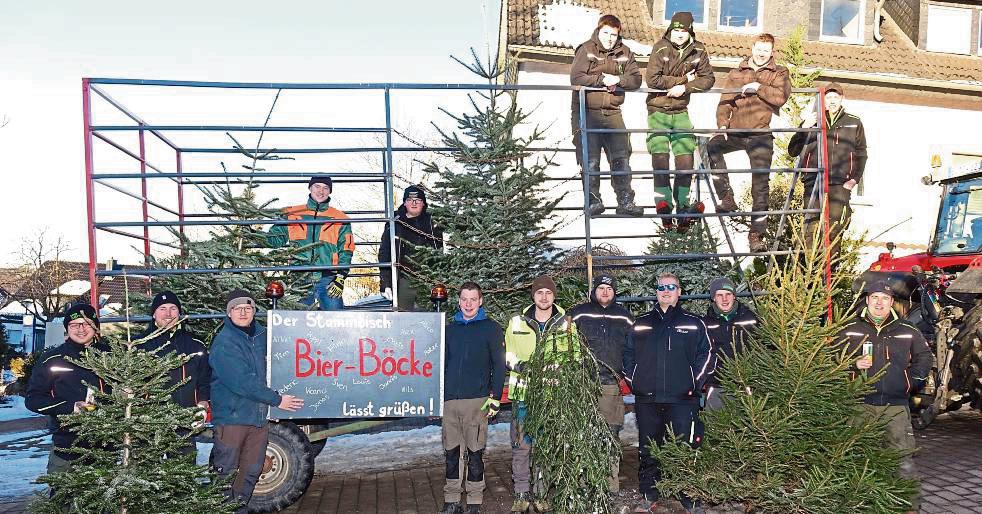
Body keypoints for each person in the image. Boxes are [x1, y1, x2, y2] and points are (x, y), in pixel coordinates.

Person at [836, 280, 931, 514]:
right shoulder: (848, 328)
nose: (880, 303)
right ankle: (858, 506)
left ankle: (909, 508)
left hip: (895, 408)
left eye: (885, 298)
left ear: (891, 302)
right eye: (875, 297)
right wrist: (852, 365)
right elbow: (829, 358)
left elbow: (925, 358)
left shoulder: (907, 330)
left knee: (903, 460)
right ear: (867, 300)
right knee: (856, 458)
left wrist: (908, 382)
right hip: (859, 406)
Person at [624, 272, 712, 514]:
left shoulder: (693, 322)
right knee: (648, 448)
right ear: (656, 292)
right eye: (661, 287)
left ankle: (688, 496)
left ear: (679, 291)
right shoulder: (641, 323)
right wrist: (636, 383)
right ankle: (649, 493)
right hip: (647, 399)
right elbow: (628, 356)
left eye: (671, 287)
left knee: (685, 448)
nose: (666, 290)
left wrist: (693, 383)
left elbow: (707, 355)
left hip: (683, 400)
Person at [209, 290, 304, 513]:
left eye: (248, 308)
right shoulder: (225, 342)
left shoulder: (263, 336)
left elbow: (284, 358)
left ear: (253, 311)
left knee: (251, 469)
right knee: (227, 471)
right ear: (229, 313)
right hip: (233, 418)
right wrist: (277, 399)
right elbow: (241, 381)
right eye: (237, 308)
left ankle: (239, 509)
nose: (243, 312)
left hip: (258, 417)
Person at [708, 33, 791, 252]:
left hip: (760, 134)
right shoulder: (736, 73)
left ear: (772, 51)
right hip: (736, 130)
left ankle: (756, 236)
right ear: (752, 47)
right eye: (759, 48)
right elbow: (724, 102)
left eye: (766, 49)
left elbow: (781, 97)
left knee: (760, 184)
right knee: (712, 145)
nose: (762, 53)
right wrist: (722, 125)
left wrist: (758, 86)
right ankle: (726, 197)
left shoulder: (779, 72)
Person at [504, 275, 575, 514]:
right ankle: (522, 494)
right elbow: (507, 354)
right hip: (524, 393)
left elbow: (572, 355)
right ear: (533, 296)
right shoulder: (516, 322)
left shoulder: (566, 323)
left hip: (551, 394)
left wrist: (556, 364)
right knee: (522, 446)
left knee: (546, 446)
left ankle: (542, 493)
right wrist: (520, 366)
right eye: (539, 293)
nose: (544, 297)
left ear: (554, 296)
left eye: (548, 293)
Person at [439, 282, 507, 514]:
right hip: (450, 401)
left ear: (481, 301)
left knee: (475, 452)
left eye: (473, 299)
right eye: (464, 299)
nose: (468, 304)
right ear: (459, 301)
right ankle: (452, 499)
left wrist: (495, 396)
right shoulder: (449, 330)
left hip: (477, 401)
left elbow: (499, 366)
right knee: (451, 453)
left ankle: (475, 501)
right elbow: (440, 365)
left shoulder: (491, 329)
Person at [645, 11, 715, 232]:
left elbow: (709, 79)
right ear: (670, 30)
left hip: (681, 110)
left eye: (683, 31)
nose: (678, 35)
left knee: (686, 159)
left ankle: (683, 206)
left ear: (689, 31)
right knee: (660, 157)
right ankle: (663, 204)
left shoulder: (699, 50)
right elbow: (652, 79)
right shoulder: (661, 47)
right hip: (658, 109)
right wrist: (684, 79)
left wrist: (685, 88)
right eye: (675, 30)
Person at [570, 14, 644, 217]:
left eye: (613, 34)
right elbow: (576, 77)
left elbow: (636, 80)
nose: (610, 38)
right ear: (598, 31)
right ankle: (593, 202)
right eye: (606, 33)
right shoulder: (586, 49)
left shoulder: (625, 52)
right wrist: (603, 80)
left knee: (621, 156)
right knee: (590, 159)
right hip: (587, 112)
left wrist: (618, 80)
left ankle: (625, 202)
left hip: (613, 112)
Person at [26, 303, 109, 476]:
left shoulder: (110, 356)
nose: (81, 329)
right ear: (67, 328)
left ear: (95, 327)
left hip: (106, 448)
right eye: (74, 325)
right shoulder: (53, 359)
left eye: (86, 323)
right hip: (66, 447)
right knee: (61, 501)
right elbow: (33, 399)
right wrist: (70, 408)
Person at [569, 274, 634, 491]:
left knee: (610, 434)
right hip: (584, 385)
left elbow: (632, 349)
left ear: (614, 292)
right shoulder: (578, 314)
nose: (605, 292)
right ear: (594, 291)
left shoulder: (625, 317)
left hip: (611, 385)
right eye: (601, 288)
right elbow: (566, 345)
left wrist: (625, 373)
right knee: (583, 433)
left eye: (609, 288)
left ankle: (609, 484)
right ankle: (582, 484)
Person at [788, 82, 867, 257]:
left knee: (835, 229)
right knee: (809, 228)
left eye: (835, 97)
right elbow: (792, 151)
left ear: (842, 99)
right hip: (813, 181)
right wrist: (803, 128)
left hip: (840, 184)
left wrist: (854, 179)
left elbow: (862, 153)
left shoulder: (853, 122)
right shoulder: (812, 121)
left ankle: (830, 276)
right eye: (828, 97)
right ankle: (808, 277)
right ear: (823, 100)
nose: (832, 101)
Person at [267, 175, 354, 310]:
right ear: (310, 188)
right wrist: (252, 233)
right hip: (299, 278)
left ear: (330, 191)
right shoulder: (292, 213)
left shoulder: (340, 218)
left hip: (328, 279)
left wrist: (341, 276)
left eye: (325, 188)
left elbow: (346, 250)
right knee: (299, 321)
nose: (321, 191)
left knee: (336, 321)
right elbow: (274, 240)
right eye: (317, 186)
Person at [141, 291, 210, 432]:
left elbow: (205, 380)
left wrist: (203, 405)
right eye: (162, 309)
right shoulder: (140, 345)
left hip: (187, 422)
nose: (168, 314)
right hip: (150, 425)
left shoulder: (195, 344)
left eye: (173, 308)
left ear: (179, 313)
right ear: (154, 314)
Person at [379, 184, 444, 311]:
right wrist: (385, 283)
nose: (414, 203)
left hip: (428, 280)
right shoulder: (394, 223)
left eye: (418, 200)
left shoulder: (434, 222)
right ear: (404, 203)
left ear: (423, 203)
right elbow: (384, 253)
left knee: (430, 320)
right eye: (409, 200)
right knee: (403, 320)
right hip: (403, 280)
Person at [701, 277, 758, 411]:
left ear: (734, 296)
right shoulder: (705, 323)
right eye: (719, 295)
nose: (724, 299)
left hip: (746, 385)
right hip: (716, 386)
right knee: (714, 428)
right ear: (713, 298)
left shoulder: (751, 319)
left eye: (728, 294)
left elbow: (765, 347)